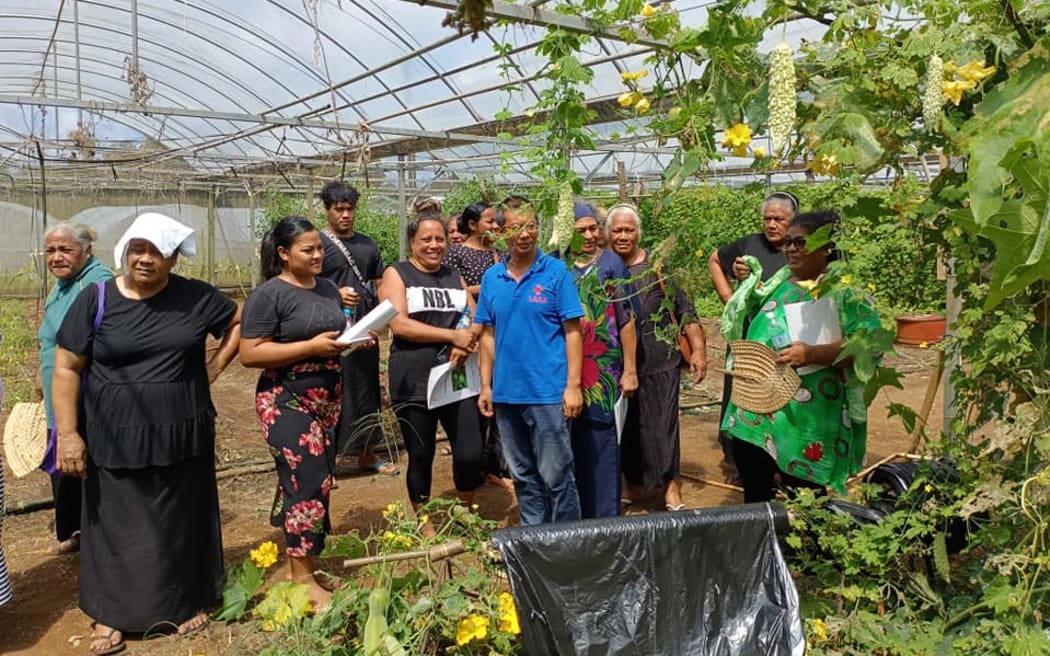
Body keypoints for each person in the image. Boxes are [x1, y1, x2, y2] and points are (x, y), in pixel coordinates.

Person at [53, 212, 241, 655]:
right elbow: (66, 366)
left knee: (180, 519)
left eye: (156, 251)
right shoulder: (96, 299)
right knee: (113, 525)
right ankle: (110, 615)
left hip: (184, 430)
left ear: (174, 258)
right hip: (114, 435)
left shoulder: (195, 297)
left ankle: (183, 602)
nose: (144, 259)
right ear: (124, 252)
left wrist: (214, 366)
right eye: (138, 249)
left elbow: (238, 321)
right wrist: (68, 434)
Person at [240, 217, 371, 610]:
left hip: (327, 396)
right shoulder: (269, 295)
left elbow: (330, 338)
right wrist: (310, 348)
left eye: (319, 248)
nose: (317, 255)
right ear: (283, 253)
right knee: (309, 481)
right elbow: (251, 353)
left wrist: (353, 341)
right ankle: (303, 579)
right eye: (308, 249)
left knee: (311, 478)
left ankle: (300, 553)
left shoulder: (328, 287)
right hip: (286, 398)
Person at [721, 210, 881, 502]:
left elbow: (870, 346)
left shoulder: (844, 294)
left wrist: (814, 354)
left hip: (806, 418)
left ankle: (804, 547)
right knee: (755, 486)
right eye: (788, 243)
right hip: (759, 408)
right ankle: (765, 543)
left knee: (804, 495)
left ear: (827, 248)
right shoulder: (782, 284)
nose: (791, 249)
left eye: (801, 243)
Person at [476, 197, 585, 526]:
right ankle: (533, 539)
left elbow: (573, 332)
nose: (524, 234)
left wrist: (573, 387)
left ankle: (567, 543)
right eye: (515, 227)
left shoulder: (555, 273)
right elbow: (488, 335)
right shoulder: (493, 278)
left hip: (548, 393)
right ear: (500, 232)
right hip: (508, 394)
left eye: (531, 226)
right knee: (523, 475)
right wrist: (485, 385)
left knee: (557, 476)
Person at [380, 208, 485, 531]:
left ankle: (464, 512)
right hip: (414, 376)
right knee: (421, 452)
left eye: (440, 238)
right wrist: (451, 334)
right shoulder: (396, 274)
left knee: (470, 451)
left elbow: (472, 313)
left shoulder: (453, 275)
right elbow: (398, 323)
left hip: (456, 374)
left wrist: (465, 338)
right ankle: (424, 522)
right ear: (412, 242)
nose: (434, 244)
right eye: (426, 239)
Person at [607, 204, 707, 511]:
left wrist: (699, 350)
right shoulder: (605, 269)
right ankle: (631, 484)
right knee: (627, 425)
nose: (623, 236)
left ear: (639, 232)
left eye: (629, 229)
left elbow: (685, 310)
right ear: (607, 234)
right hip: (618, 363)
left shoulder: (658, 268)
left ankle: (671, 486)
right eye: (617, 230)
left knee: (661, 425)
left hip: (660, 358)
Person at [708, 191, 796, 481]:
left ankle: (782, 461)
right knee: (744, 393)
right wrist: (729, 298)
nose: (771, 224)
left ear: (793, 220)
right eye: (767, 218)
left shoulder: (800, 248)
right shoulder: (750, 244)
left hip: (788, 339)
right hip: (751, 338)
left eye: (779, 219)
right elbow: (715, 259)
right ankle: (740, 460)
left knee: (784, 396)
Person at [36, 222, 113, 554]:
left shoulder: (98, 284)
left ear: (87, 251)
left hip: (83, 392)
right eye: (50, 250)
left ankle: (97, 530)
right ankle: (78, 528)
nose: (56, 257)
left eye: (65, 249)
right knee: (64, 461)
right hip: (60, 389)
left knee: (83, 457)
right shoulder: (64, 284)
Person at [563, 200, 638, 519]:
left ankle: (605, 516)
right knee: (569, 441)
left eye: (594, 228)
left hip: (605, 370)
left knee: (604, 441)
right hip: (565, 368)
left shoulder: (612, 265)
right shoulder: (559, 266)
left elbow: (627, 319)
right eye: (582, 230)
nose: (590, 235)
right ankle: (575, 515)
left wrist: (630, 370)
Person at [317, 181, 394, 475]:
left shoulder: (367, 245)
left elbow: (376, 285)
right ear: (328, 211)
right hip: (329, 329)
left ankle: (366, 453)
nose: (345, 215)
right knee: (332, 391)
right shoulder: (318, 245)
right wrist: (335, 293)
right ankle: (326, 462)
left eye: (350, 209)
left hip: (364, 329)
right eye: (339, 209)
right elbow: (306, 286)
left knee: (366, 389)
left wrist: (379, 321)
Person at [441, 201, 513, 490]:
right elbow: (451, 291)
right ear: (472, 225)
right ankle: (477, 467)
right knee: (474, 399)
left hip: (500, 334)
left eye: (496, 223)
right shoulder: (456, 253)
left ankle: (496, 465)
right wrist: (488, 287)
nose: (495, 226)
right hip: (470, 335)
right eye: (489, 222)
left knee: (497, 398)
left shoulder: (501, 253)